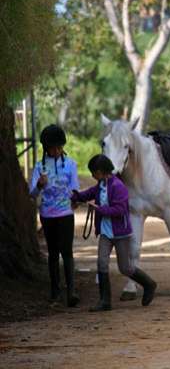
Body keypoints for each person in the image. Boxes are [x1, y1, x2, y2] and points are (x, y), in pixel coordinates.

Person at [71, 154, 157, 311]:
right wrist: (76, 196)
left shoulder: (118, 187)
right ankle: (105, 301)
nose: (92, 175)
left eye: (93, 172)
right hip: (105, 233)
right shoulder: (100, 185)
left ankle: (149, 284)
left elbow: (120, 210)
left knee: (125, 268)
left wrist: (100, 209)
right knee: (101, 263)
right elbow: (88, 193)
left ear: (101, 171)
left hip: (120, 234)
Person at [29, 124, 80, 307]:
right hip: (47, 215)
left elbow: (75, 188)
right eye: (53, 148)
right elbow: (32, 194)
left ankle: (71, 291)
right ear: (46, 148)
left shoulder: (71, 164)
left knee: (67, 252)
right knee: (52, 253)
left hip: (65, 214)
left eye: (60, 147)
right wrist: (40, 185)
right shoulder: (39, 167)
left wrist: (76, 199)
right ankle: (54, 290)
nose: (57, 150)